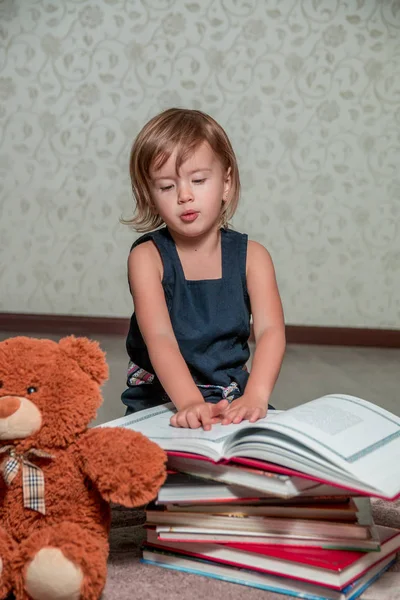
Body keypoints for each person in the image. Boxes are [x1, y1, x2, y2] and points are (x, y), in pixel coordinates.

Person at [121, 108, 285, 430]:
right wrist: (190, 403)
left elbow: (270, 333)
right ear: (151, 197)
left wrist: (256, 396)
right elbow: (160, 339)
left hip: (231, 394)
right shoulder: (147, 258)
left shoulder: (254, 257)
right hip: (162, 397)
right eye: (167, 187)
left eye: (198, 180)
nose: (185, 195)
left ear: (226, 184)